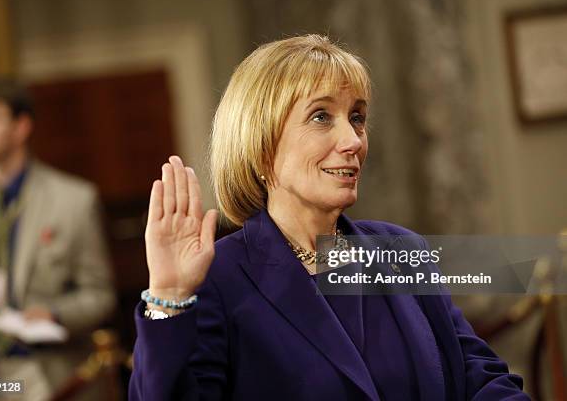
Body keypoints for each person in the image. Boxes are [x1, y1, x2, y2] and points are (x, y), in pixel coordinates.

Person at [129, 35, 529, 400]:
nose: (353, 141)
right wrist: (170, 296)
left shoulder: (402, 250)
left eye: (356, 117)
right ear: (261, 144)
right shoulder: (218, 279)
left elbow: (479, 378)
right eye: (321, 117)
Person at [0, 77, 116, 400]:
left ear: (21, 127)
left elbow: (100, 294)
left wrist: (55, 314)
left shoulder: (74, 199)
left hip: (42, 374)